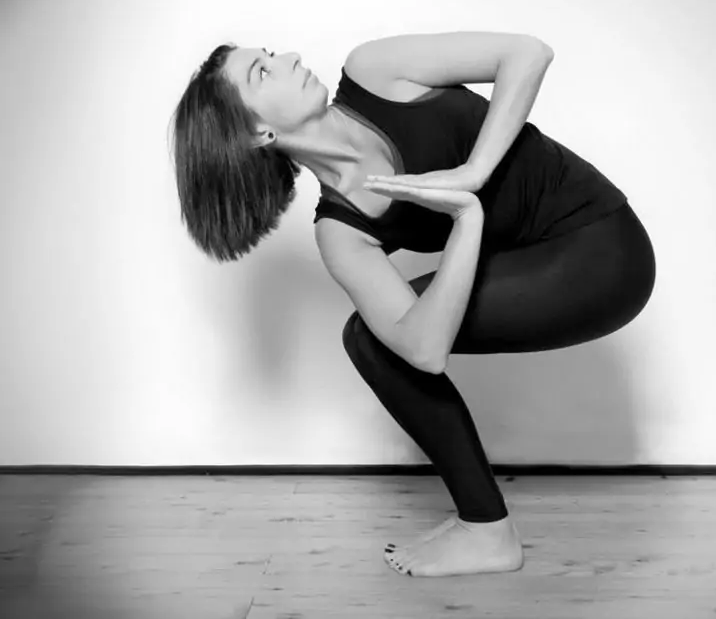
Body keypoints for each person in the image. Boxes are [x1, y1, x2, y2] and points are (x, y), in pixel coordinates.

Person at [169, 35, 656, 578]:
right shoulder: (342, 231)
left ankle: (483, 532)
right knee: (373, 337)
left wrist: (473, 172)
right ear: (258, 133)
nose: (290, 58)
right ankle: (487, 531)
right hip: (535, 262)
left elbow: (528, 53)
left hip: (605, 250)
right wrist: (466, 220)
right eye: (262, 72)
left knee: (377, 334)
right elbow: (423, 350)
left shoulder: (376, 73)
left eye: (272, 53)